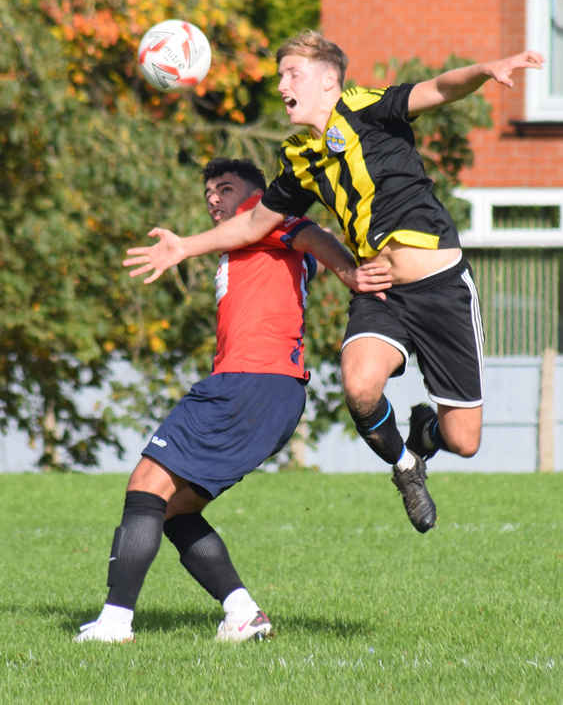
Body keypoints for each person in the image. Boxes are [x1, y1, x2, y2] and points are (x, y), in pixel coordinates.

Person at [123, 33, 544, 535]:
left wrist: (484, 68)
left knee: (463, 440)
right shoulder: (299, 156)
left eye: (291, 74)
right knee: (360, 386)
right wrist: (184, 246)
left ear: (329, 80)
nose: (281, 85)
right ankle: (406, 467)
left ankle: (424, 436)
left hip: (440, 288)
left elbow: (437, 89)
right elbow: (256, 223)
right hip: (379, 289)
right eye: (280, 75)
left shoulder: (366, 107)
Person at [75, 157, 389, 644]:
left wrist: (348, 270)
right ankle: (242, 613)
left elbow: (305, 232)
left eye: (225, 188)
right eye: (208, 195)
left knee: (146, 485)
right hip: (270, 391)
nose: (214, 200)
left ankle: (115, 623)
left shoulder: (264, 222)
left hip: (249, 383)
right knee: (173, 510)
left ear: (256, 196)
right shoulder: (243, 242)